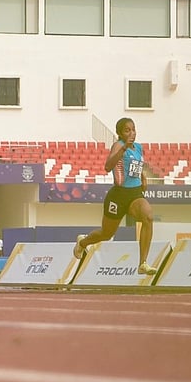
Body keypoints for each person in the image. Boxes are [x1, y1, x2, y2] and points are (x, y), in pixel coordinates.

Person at [72, 117, 157, 275]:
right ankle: (83, 242)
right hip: (118, 196)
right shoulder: (118, 146)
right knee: (107, 233)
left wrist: (143, 177)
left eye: (133, 129)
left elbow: (137, 166)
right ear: (120, 133)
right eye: (127, 130)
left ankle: (143, 263)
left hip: (135, 194)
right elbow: (107, 166)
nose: (132, 133)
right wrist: (123, 149)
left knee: (148, 217)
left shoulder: (138, 147)